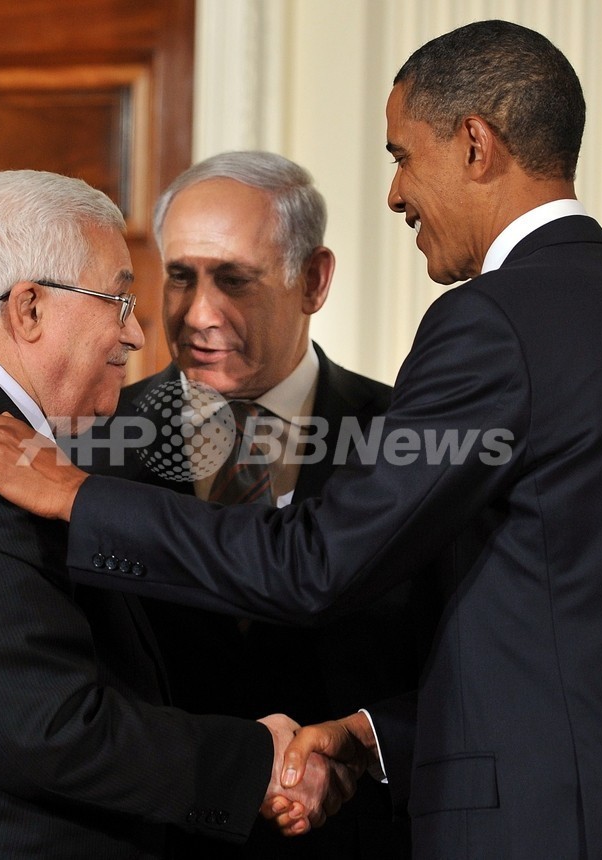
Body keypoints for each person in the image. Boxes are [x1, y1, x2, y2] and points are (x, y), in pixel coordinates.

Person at [0, 21, 602, 859]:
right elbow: (567, 624)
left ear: (474, 145)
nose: (394, 194)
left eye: (401, 156)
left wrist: (78, 496)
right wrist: (370, 735)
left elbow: (315, 563)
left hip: (555, 825)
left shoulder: (494, 323)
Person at [0, 169, 349, 859]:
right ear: (27, 308)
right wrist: (256, 760)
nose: (139, 334)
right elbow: (47, 725)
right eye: (118, 299)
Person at [82, 150, 419, 859]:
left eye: (234, 279)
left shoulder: (407, 441)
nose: (199, 314)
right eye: (180, 278)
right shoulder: (89, 447)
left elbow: (464, 670)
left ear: (314, 280)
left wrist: (359, 747)